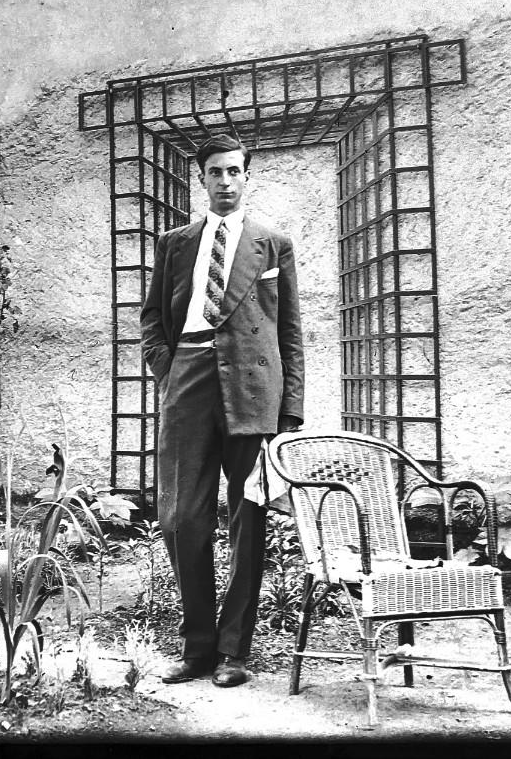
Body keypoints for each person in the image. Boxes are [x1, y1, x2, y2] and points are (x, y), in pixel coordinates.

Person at [140, 133, 305, 688]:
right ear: (202, 178)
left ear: (247, 176)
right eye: (216, 173)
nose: (227, 182)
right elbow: (150, 318)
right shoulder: (176, 242)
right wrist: (168, 367)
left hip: (254, 394)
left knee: (247, 520)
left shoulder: (272, 244)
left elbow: (290, 333)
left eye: (235, 172)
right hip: (188, 382)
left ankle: (235, 651)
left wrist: (290, 412)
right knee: (182, 517)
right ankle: (198, 648)